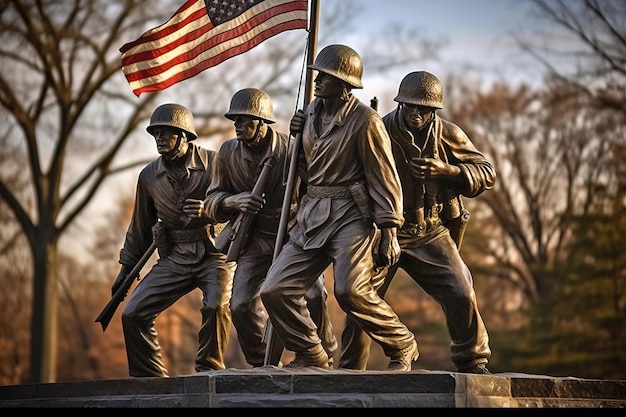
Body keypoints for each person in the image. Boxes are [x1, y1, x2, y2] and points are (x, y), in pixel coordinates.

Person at [260, 44, 418, 371]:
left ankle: (401, 342)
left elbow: (384, 176)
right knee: (275, 289)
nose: (317, 80)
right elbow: (303, 173)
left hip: (350, 215)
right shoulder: (308, 116)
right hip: (311, 214)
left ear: (345, 84)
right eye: (317, 74)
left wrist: (389, 231)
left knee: (350, 291)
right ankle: (311, 353)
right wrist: (295, 142)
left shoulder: (366, 121)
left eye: (326, 76)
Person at [338, 71, 496, 374]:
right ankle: (350, 369)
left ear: (434, 110)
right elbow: (346, 171)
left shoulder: (448, 134)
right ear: (400, 104)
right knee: (360, 298)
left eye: (424, 109)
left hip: (430, 232)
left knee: (461, 290)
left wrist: (447, 171)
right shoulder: (379, 128)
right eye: (410, 106)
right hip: (383, 231)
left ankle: (473, 360)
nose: (416, 114)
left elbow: (486, 172)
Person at [203, 88, 337, 368]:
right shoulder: (227, 152)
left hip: (293, 235)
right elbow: (211, 200)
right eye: (235, 119)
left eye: (244, 119)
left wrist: (307, 133)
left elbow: (317, 181)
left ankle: (322, 353)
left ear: (262, 122)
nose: (237, 124)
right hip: (254, 238)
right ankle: (262, 361)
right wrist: (233, 201)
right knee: (240, 304)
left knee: (315, 294)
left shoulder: (291, 146)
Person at [113, 103, 234, 377]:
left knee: (216, 306)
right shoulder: (148, 177)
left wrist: (211, 211)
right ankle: (150, 381)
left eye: (166, 133)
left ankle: (208, 371)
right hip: (175, 256)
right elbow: (139, 229)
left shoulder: (216, 163)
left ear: (184, 136)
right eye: (155, 134)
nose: (159, 139)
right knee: (133, 314)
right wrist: (125, 272)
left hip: (216, 251)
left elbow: (239, 204)